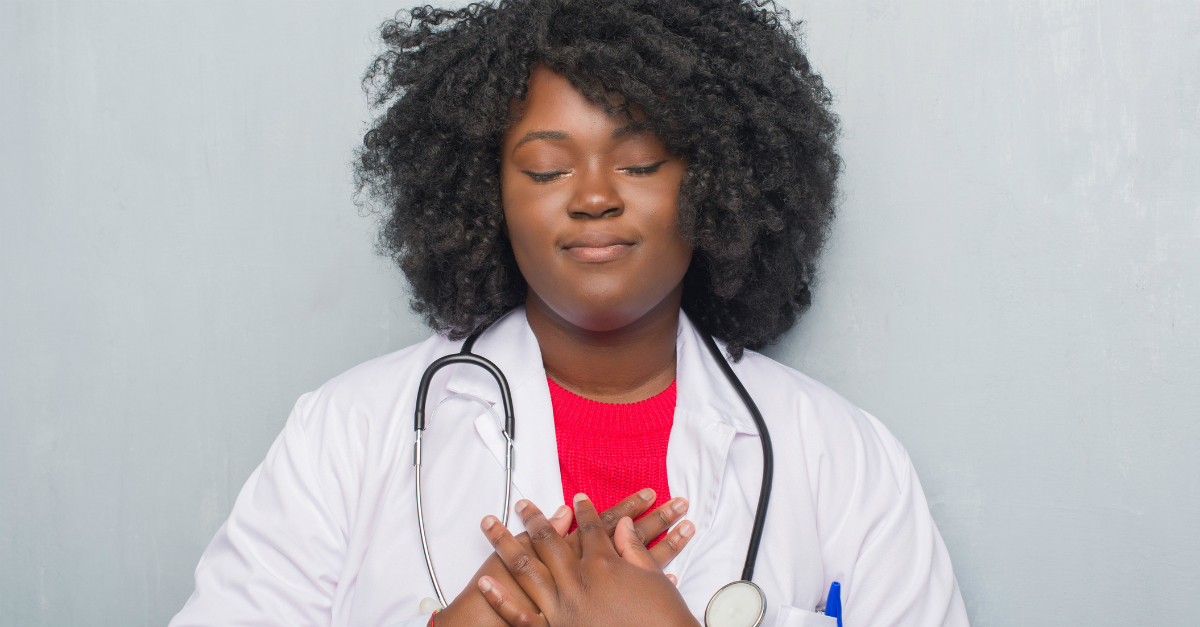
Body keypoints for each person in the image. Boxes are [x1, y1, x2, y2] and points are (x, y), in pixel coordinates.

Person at [169, 1, 969, 626]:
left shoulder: (843, 459)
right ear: (488, 196)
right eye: (548, 169)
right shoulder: (343, 437)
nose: (593, 197)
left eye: (640, 161)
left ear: (719, 182)